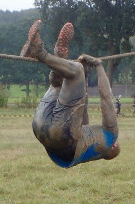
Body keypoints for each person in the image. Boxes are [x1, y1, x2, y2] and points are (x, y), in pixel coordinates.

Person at [21, 20, 120, 168]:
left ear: (114, 146)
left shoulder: (111, 137)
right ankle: (60, 57)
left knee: (76, 71)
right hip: (41, 130)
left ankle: (39, 51)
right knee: (59, 85)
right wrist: (85, 78)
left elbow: (106, 100)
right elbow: (81, 108)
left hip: (63, 136)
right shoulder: (92, 146)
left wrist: (99, 65)